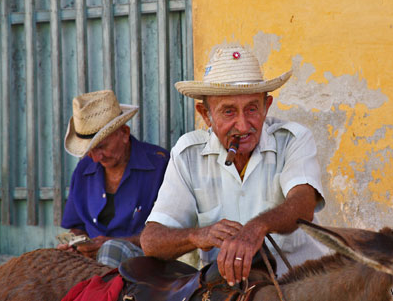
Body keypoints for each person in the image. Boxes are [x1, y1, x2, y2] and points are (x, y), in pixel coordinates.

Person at [140, 45, 329, 286]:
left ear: (266, 106)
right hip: (229, 293)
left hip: (301, 288)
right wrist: (198, 236)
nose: (242, 125)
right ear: (205, 114)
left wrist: (256, 228)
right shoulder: (188, 154)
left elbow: (303, 204)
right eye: (228, 112)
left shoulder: (293, 140)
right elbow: (151, 241)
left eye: (252, 108)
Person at [58, 90, 169, 268]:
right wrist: (76, 245)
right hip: (93, 263)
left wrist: (115, 242)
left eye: (101, 147)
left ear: (124, 133)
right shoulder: (84, 169)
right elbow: (77, 225)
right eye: (90, 151)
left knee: (111, 250)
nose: (95, 158)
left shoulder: (159, 165)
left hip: (145, 264)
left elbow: (170, 231)